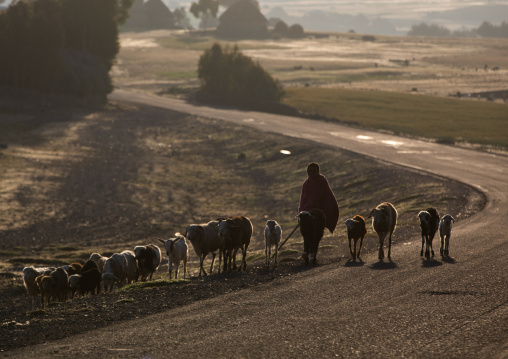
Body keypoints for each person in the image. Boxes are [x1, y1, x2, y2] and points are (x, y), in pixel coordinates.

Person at [298, 162, 340, 233]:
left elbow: (327, 196)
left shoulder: (322, 181)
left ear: (318, 171)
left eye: (314, 171)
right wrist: (303, 211)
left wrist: (322, 209)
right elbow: (304, 200)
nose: (312, 173)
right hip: (309, 210)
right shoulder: (306, 184)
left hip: (321, 210)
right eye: (310, 171)